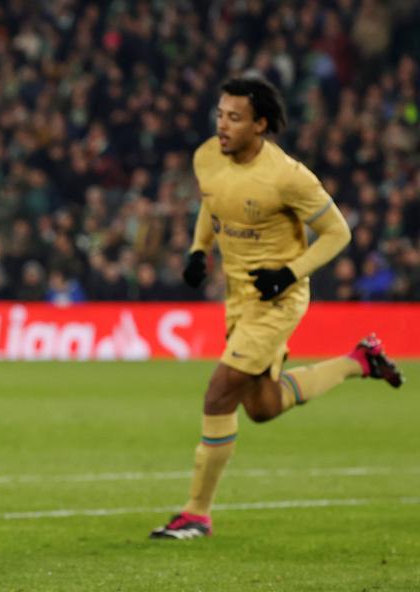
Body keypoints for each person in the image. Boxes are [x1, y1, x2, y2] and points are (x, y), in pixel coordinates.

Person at [150, 76, 404, 541]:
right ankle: (358, 361)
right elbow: (211, 202)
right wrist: (198, 250)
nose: (223, 125)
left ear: (260, 124)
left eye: (235, 118)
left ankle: (196, 513)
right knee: (263, 406)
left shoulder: (288, 175)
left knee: (219, 393)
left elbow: (338, 232)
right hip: (238, 297)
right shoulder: (207, 156)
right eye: (221, 114)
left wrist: (289, 273)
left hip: (278, 300)